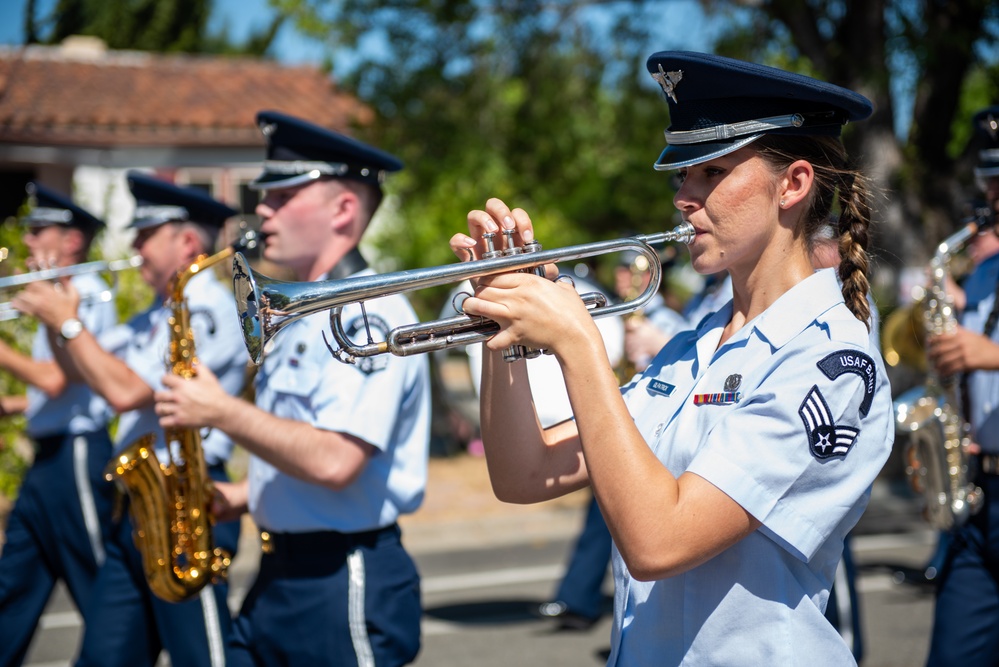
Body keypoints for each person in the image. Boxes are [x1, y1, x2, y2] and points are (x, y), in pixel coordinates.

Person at [451, 50, 894, 665]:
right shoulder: (697, 341)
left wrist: (578, 343)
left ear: (793, 184)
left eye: (712, 172)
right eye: (682, 175)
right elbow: (524, 474)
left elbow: (659, 541)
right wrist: (502, 323)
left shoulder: (831, 360)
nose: (684, 197)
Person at [153, 110, 431, 666]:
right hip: (281, 572)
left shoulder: (369, 314)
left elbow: (335, 462)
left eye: (282, 195)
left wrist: (221, 412)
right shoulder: (299, 308)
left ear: (343, 209)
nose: (261, 209)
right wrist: (243, 497)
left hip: (340, 579)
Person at [13, 172, 246, 667]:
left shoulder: (206, 307)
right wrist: (61, 313)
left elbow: (124, 392)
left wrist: (68, 323)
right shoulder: (151, 314)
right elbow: (83, 369)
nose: (134, 246)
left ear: (185, 240)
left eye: (145, 235)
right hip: (139, 505)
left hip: (187, 501)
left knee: (203, 656)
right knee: (102, 656)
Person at [0, 183, 118, 666]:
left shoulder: (83, 292)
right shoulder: (56, 293)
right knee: (13, 585)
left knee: (102, 588)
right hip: (51, 455)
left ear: (72, 240)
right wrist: (10, 404)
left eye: (39, 230)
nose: (28, 240)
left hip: (76, 454)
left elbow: (55, 380)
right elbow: (53, 389)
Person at [924, 106, 999, 667]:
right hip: (982, 489)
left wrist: (989, 355)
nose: (992, 195)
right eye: (989, 181)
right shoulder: (985, 270)